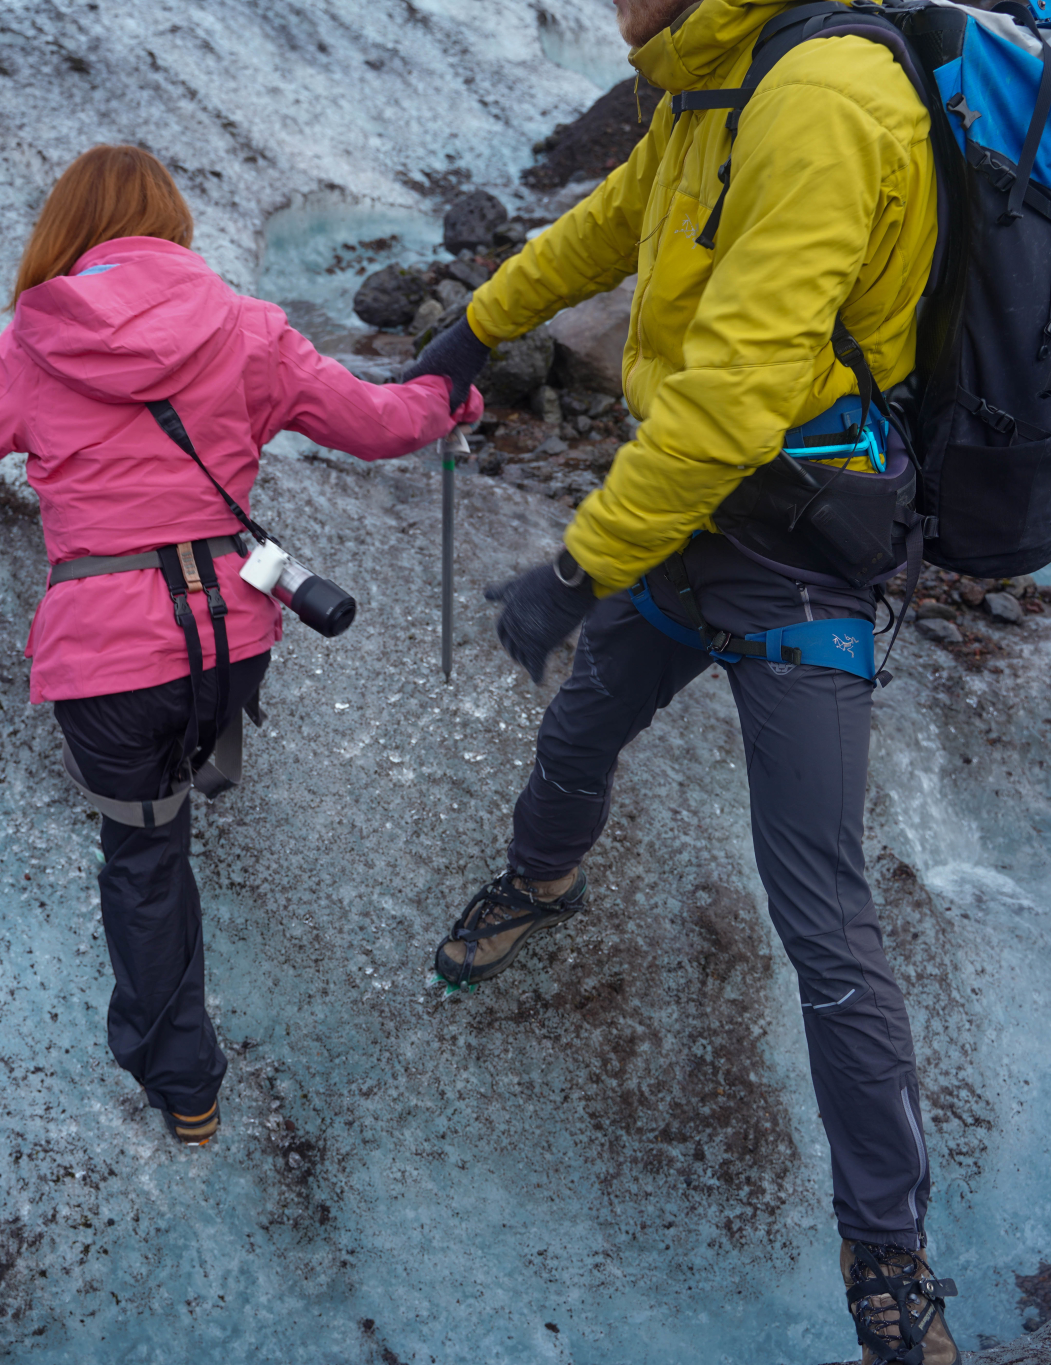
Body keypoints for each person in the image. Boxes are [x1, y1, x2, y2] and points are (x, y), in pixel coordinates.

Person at [405, 0, 961, 1359]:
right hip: (700, 518)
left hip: (803, 549)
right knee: (583, 724)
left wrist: (575, 569)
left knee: (820, 903)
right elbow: (608, 229)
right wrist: (476, 326)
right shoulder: (709, 85)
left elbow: (734, 395)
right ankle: (546, 880)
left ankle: (886, 1244)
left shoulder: (824, 95)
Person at [0, 145, 482, 1147]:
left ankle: (186, 1088)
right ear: (170, 224)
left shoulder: (34, 342)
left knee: (142, 858)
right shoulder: (248, 328)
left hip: (106, 658)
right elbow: (377, 423)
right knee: (189, 748)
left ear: (69, 232)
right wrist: (449, 398)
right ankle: (200, 771)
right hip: (229, 640)